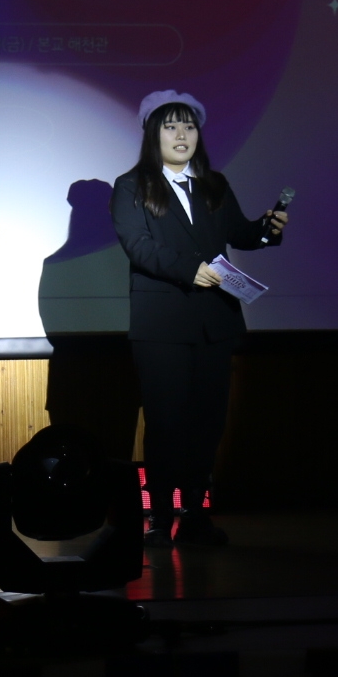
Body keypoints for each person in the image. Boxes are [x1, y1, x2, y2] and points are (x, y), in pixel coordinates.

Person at [110, 91, 286, 547]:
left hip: (214, 322)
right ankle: (159, 515)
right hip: (161, 325)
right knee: (166, 422)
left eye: (189, 126)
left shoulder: (214, 184)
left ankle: (194, 514)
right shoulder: (131, 186)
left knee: (207, 422)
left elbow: (240, 234)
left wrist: (266, 231)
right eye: (171, 126)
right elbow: (139, 247)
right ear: (153, 133)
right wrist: (190, 269)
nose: (182, 134)